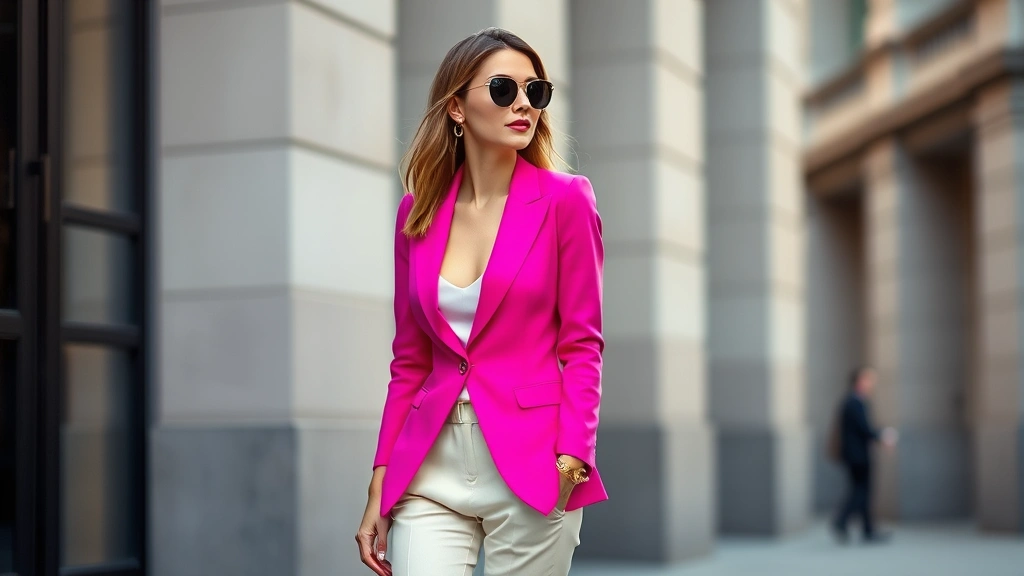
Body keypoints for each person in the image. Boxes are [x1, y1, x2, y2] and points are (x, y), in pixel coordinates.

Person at [354, 28, 608, 576]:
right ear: (457, 107)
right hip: (430, 467)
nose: (523, 104)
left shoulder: (566, 201)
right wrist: (381, 481)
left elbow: (582, 345)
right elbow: (409, 362)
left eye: (535, 91)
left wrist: (572, 460)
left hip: (534, 462)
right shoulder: (415, 214)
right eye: (502, 89)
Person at [832, 366, 897, 544]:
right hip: (857, 456)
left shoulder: (854, 401)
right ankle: (842, 520)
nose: (872, 383)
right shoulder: (854, 402)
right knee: (861, 491)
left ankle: (867, 529)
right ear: (860, 381)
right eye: (869, 379)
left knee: (862, 491)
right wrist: (883, 436)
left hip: (856, 455)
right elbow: (865, 429)